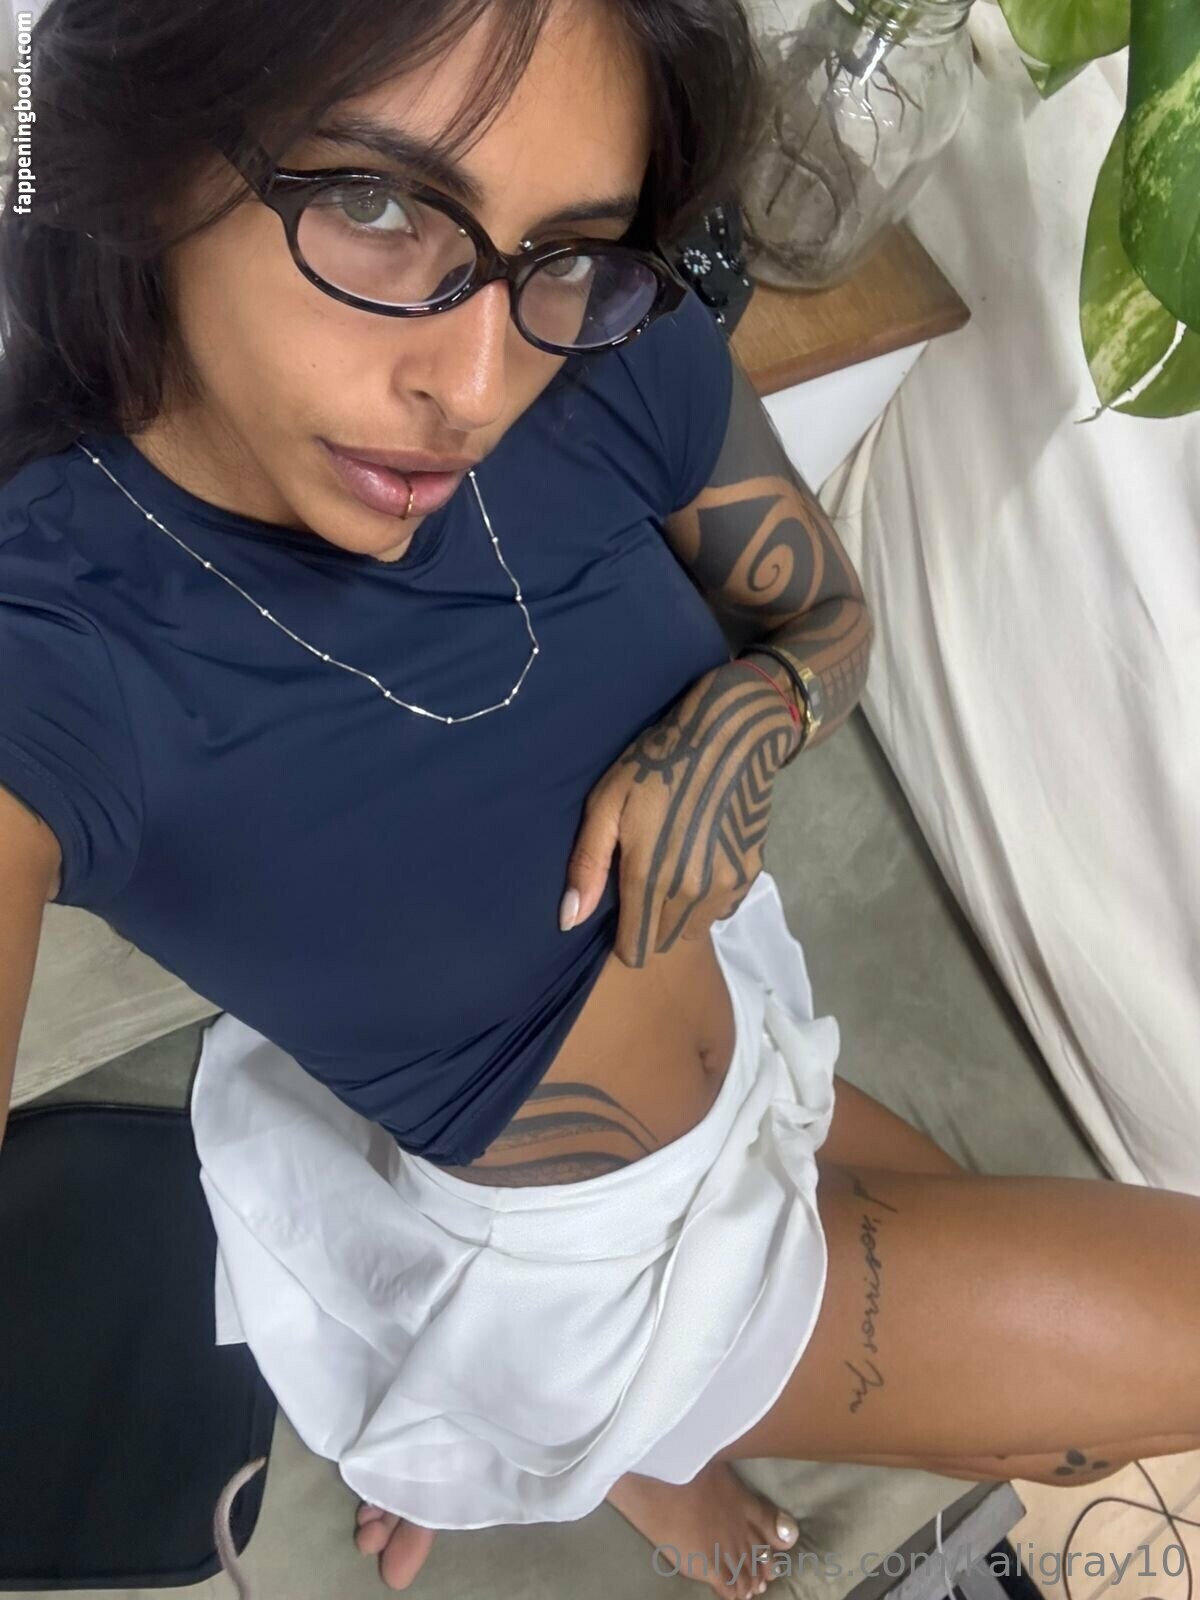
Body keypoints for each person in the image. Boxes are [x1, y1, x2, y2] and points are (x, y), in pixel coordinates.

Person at [3, 1, 1200, 1597]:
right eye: (375, 204)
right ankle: (629, 1434)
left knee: (1059, 1434)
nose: (476, 385)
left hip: (751, 1036)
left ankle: (637, 1449)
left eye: (563, 248)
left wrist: (748, 716)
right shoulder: (47, 646)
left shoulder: (603, 345)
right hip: (591, 1276)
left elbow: (825, 622)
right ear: (145, 144)